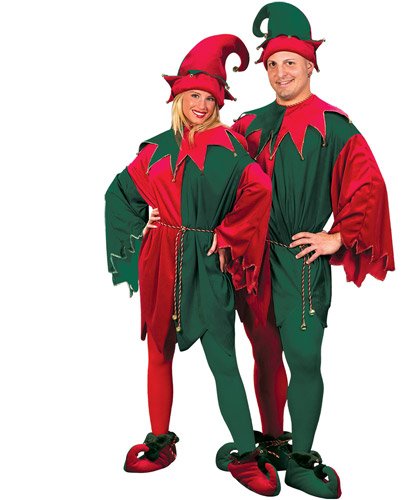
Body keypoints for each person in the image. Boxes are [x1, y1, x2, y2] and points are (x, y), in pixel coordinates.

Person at [216, 3, 395, 498]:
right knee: (264, 352)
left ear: (310, 65)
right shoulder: (248, 125)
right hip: (254, 260)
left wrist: (339, 236)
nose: (280, 73)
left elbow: (369, 185)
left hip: (299, 260)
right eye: (272, 64)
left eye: (290, 63)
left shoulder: (334, 126)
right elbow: (216, 179)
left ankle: (300, 459)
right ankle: (273, 441)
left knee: (304, 356)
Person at [105, 34, 280, 496]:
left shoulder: (230, 148)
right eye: (193, 96)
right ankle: (160, 441)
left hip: (206, 264)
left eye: (209, 98)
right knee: (158, 351)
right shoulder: (156, 149)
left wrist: (228, 234)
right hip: (161, 258)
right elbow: (118, 192)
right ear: (178, 98)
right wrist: (142, 222)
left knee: (223, 359)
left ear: (219, 103)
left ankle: (246, 453)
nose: (201, 105)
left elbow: (259, 190)